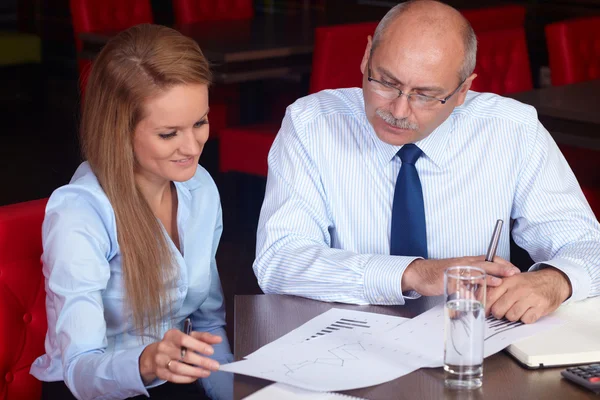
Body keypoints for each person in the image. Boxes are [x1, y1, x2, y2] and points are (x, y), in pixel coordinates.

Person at [254, 0, 600, 324]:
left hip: (470, 342)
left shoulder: (512, 130)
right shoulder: (311, 124)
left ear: (463, 90)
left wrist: (555, 281)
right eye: (386, 83)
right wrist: (414, 273)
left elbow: (588, 245)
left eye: (426, 95)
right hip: (346, 338)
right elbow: (280, 259)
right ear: (366, 57)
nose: (398, 110)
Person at [30, 24, 232, 400]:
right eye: (169, 133)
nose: (192, 146)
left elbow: (209, 323)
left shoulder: (200, 187)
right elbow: (80, 369)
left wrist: (234, 396)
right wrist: (147, 362)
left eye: (200, 122)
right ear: (120, 130)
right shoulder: (81, 212)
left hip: (172, 379)